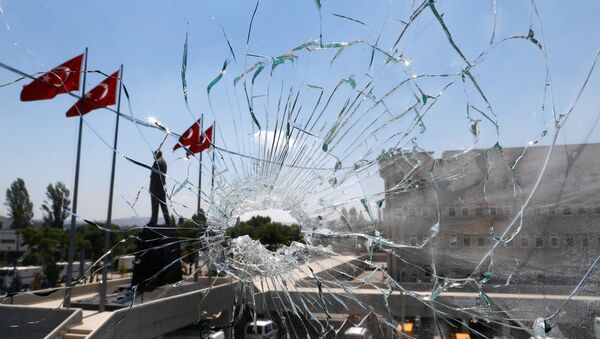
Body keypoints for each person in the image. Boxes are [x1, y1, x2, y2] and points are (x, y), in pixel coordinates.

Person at [149, 150, 170, 226]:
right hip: (162, 186)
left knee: (155, 205)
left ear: (157, 154)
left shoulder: (157, 162)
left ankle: (153, 221)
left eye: (154, 155)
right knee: (163, 205)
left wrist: (151, 187)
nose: (153, 156)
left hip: (156, 187)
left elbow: (154, 177)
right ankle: (168, 221)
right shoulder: (164, 162)